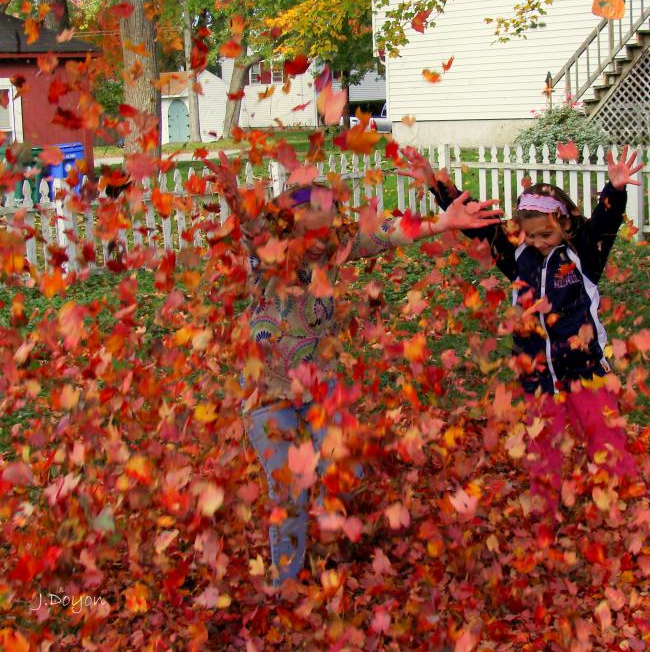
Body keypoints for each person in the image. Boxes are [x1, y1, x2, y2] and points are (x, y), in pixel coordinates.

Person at [213, 150, 503, 585]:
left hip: (322, 391)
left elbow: (385, 233)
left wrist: (441, 224)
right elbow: (250, 224)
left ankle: (337, 549)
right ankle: (285, 581)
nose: (329, 215)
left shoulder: (334, 248)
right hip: (268, 395)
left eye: (330, 209)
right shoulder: (266, 253)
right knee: (289, 492)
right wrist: (235, 195)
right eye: (316, 209)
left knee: (338, 472)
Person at [402, 145, 642, 519]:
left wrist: (614, 190)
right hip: (538, 374)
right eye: (529, 236)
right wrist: (436, 184)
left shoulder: (584, 255)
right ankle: (544, 510)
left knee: (605, 439)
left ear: (564, 223)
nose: (537, 243)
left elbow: (604, 226)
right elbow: (479, 225)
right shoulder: (519, 257)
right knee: (544, 448)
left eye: (544, 234)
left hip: (586, 370)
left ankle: (622, 504)